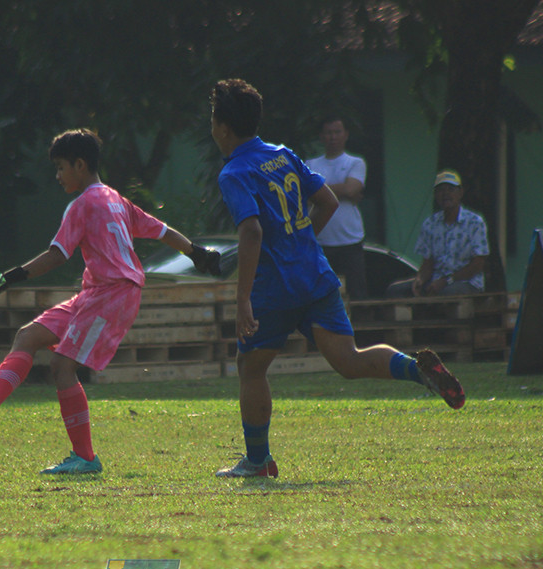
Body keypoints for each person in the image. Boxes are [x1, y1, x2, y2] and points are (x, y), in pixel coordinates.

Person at [209, 78, 465, 479]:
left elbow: (253, 231)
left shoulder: (234, 172)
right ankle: (416, 370)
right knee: (349, 359)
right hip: (315, 275)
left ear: (223, 127)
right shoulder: (282, 155)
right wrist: (302, 242)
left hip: (275, 288)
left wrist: (242, 299)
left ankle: (258, 461)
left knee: (251, 368)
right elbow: (327, 200)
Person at [0, 128, 221, 475]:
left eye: (61, 168)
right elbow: (162, 231)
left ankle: (85, 458)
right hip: (96, 293)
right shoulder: (116, 199)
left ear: (80, 164)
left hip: (113, 294)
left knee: (62, 367)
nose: (57, 176)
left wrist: (6, 278)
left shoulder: (84, 203)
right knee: (28, 336)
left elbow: (57, 255)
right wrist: (197, 253)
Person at [385, 170, 489, 298]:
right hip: (435, 282)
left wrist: (447, 281)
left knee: (445, 293)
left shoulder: (475, 222)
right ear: (435, 195)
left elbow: (478, 264)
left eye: (451, 189)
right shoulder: (430, 223)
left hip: (466, 283)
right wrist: (420, 279)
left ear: (460, 192)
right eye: (440, 190)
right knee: (395, 290)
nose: (445, 194)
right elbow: (428, 263)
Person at [306, 114, 369, 299]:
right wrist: (342, 190)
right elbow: (305, 195)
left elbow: (352, 189)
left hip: (350, 239)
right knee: (321, 293)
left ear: (346, 134)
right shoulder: (311, 164)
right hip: (320, 239)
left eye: (337, 132)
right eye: (328, 133)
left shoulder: (355, 162)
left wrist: (320, 192)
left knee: (357, 293)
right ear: (321, 137)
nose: (332, 137)